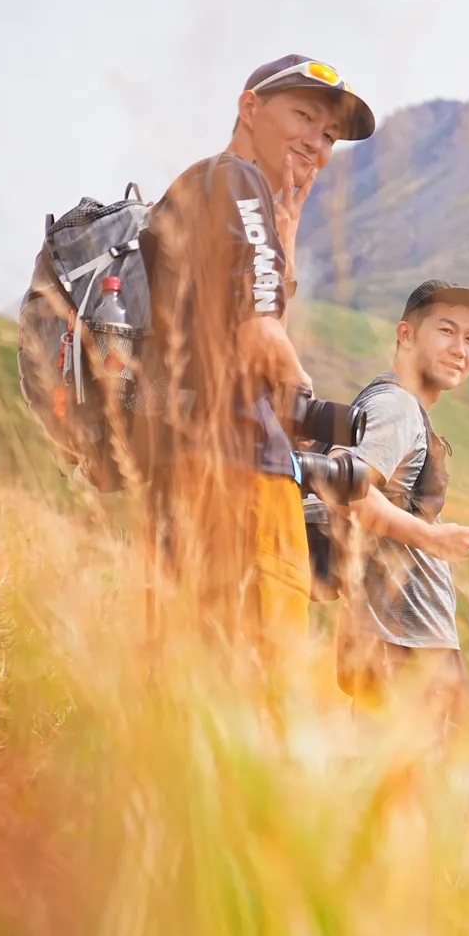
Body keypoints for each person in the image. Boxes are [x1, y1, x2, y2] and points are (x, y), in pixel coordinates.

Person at [139, 54, 376, 703]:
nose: (316, 142)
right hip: (238, 467)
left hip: (184, 461)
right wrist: (312, 411)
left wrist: (287, 231)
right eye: (304, 116)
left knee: (190, 672)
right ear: (250, 108)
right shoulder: (237, 179)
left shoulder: (215, 190)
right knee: (265, 686)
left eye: (329, 135)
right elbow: (260, 337)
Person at [335, 280, 469, 727]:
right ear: (406, 334)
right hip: (401, 650)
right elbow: (347, 490)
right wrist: (431, 537)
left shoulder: (404, 407)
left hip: (410, 647)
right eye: (446, 331)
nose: (461, 349)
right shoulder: (396, 405)